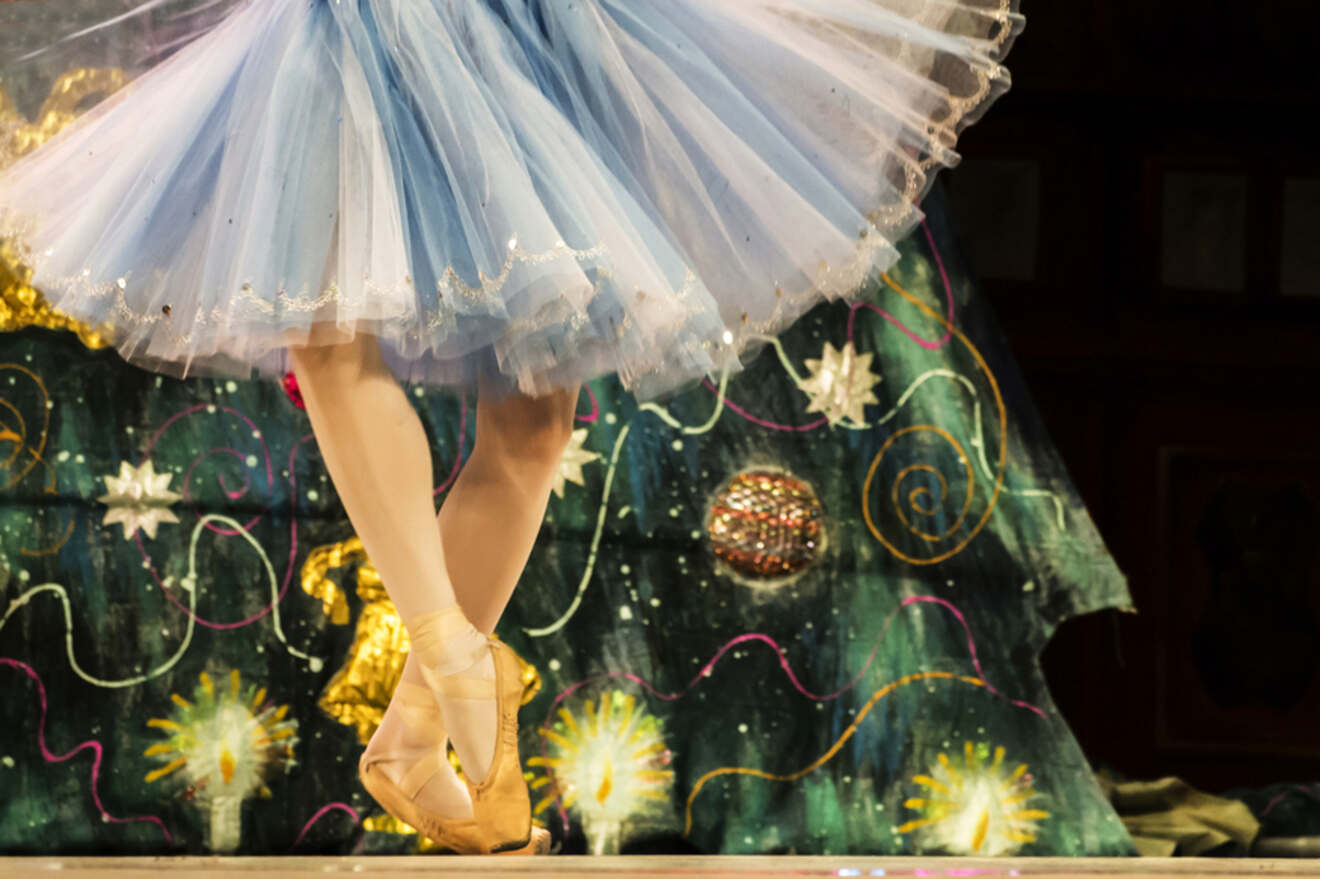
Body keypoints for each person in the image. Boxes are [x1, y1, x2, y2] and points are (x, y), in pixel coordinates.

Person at [0, 0, 1022, 855]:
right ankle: (453, 659)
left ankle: (414, 731)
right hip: (357, 26)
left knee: (535, 418)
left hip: (535, 27)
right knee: (332, 330)